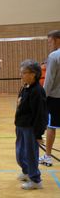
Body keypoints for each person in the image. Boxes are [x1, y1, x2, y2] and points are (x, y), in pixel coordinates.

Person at [15, 59, 47, 190]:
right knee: (20, 153)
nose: (21, 75)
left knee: (30, 154)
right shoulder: (25, 87)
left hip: (30, 128)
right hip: (21, 126)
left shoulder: (37, 91)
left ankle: (35, 180)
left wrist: (38, 134)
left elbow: (40, 115)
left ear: (33, 74)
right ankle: (27, 171)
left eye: (24, 72)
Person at [39, 30, 60, 167]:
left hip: (55, 98)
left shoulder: (54, 56)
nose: (49, 45)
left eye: (50, 41)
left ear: (57, 40)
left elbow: (49, 79)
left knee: (51, 127)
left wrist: (42, 97)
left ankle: (47, 156)